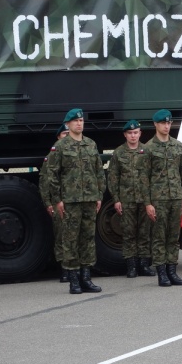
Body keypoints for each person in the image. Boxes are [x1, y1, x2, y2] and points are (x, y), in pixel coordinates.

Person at [45, 108, 105, 294]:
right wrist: (58, 200)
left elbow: (98, 172)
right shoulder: (61, 147)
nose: (79, 123)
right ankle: (73, 280)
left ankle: (86, 278)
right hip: (70, 201)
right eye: (75, 121)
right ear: (68, 124)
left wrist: (99, 195)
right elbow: (52, 175)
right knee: (70, 239)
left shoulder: (90, 144)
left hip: (89, 198)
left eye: (81, 120)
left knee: (87, 239)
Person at [145, 109, 182, 287]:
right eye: (163, 123)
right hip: (158, 199)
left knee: (173, 236)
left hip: (176, 198)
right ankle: (161, 272)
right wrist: (148, 203)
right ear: (156, 124)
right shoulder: (148, 148)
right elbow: (143, 179)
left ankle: (172, 271)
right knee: (158, 237)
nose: (166, 126)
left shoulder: (178, 146)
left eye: (169, 123)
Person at [108, 120, 154, 278]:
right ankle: (131, 266)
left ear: (140, 133)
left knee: (144, 232)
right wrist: (116, 199)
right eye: (130, 133)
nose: (133, 135)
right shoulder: (119, 153)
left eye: (136, 133)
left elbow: (153, 175)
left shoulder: (147, 151)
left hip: (145, 199)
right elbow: (113, 177)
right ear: (125, 135)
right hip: (126, 199)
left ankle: (144, 265)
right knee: (128, 233)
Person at [39, 123, 70, 282]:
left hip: (75, 200)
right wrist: (48, 203)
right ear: (58, 137)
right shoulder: (52, 156)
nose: (67, 137)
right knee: (61, 236)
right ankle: (64, 269)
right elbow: (45, 181)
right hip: (59, 201)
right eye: (64, 134)